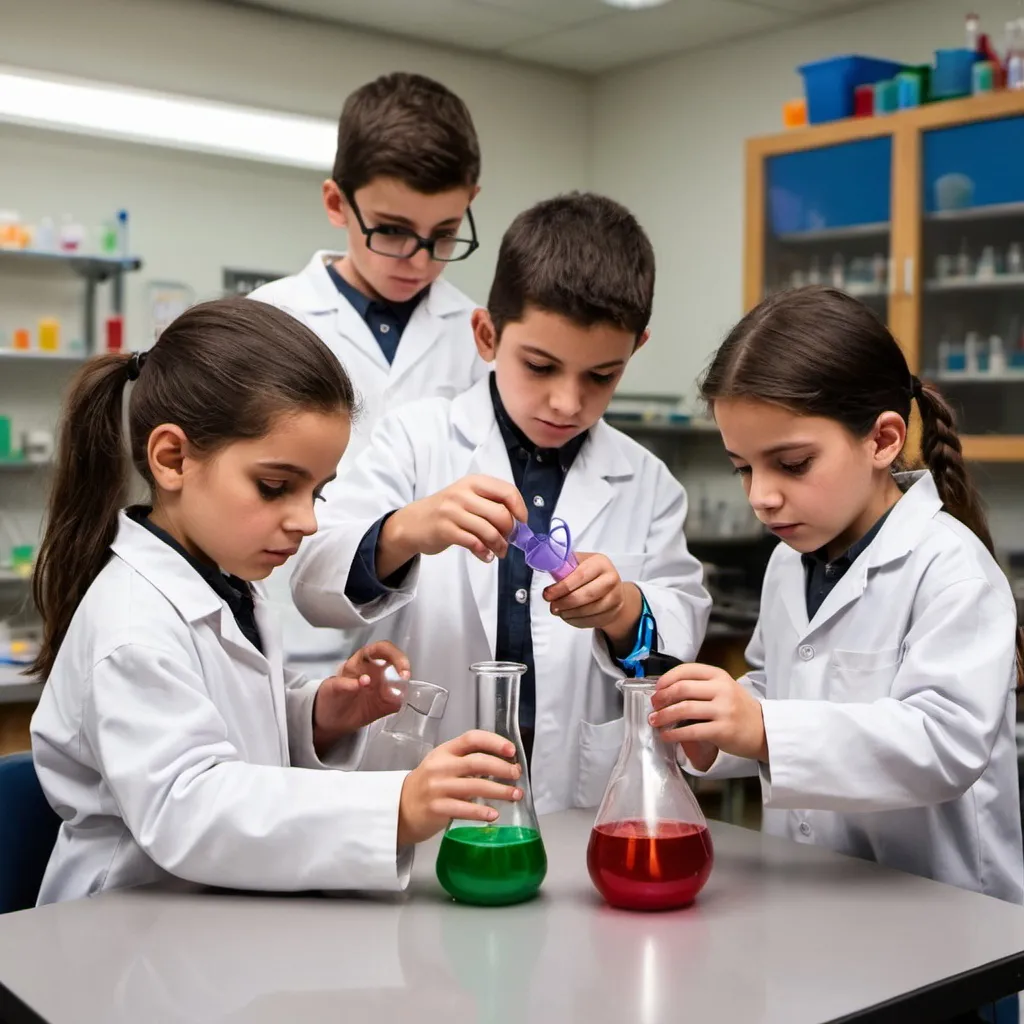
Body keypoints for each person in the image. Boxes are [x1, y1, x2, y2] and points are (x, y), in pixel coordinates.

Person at [29, 297, 522, 906]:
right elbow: (194, 809)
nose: (308, 521)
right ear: (173, 459)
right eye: (275, 487)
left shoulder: (225, 583)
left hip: (210, 914)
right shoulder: (132, 626)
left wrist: (318, 713)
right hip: (120, 931)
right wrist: (396, 806)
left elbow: (223, 729)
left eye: (317, 491)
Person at [290, 192, 712, 815]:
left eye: (601, 375)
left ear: (635, 349)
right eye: (540, 366)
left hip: (575, 799)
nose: (567, 402)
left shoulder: (646, 482)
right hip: (427, 785)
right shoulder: (417, 439)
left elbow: (676, 637)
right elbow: (313, 578)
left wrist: (623, 608)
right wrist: (407, 529)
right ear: (486, 335)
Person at [651, 285, 1023, 910]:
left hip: (944, 918)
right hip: (816, 897)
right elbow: (781, 693)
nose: (760, 496)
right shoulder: (787, 563)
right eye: (743, 467)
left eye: (791, 463)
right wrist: (715, 731)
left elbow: (943, 744)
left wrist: (764, 728)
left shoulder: (950, 568)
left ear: (881, 440)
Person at [249, 71, 489, 677]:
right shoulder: (269, 319)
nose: (417, 258)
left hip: (429, 644)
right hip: (285, 637)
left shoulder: (479, 335)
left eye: (443, 235)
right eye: (392, 231)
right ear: (337, 204)